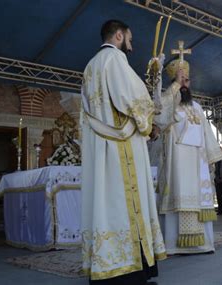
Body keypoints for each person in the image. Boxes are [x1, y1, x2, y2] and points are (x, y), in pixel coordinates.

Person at [80, 19, 166, 284]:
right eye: (129, 37)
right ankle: (131, 269)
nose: (131, 43)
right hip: (122, 148)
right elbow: (131, 99)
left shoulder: (90, 66)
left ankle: (108, 265)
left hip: (101, 147)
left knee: (107, 205)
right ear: (118, 35)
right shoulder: (115, 60)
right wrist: (148, 123)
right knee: (126, 204)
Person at [154, 56, 222, 255]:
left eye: (187, 80)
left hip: (197, 165)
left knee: (198, 200)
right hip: (177, 164)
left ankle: (204, 244)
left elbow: (207, 134)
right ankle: (174, 246)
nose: (185, 84)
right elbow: (158, 113)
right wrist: (175, 84)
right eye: (181, 80)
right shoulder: (170, 104)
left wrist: (212, 159)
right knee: (178, 196)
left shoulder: (198, 107)